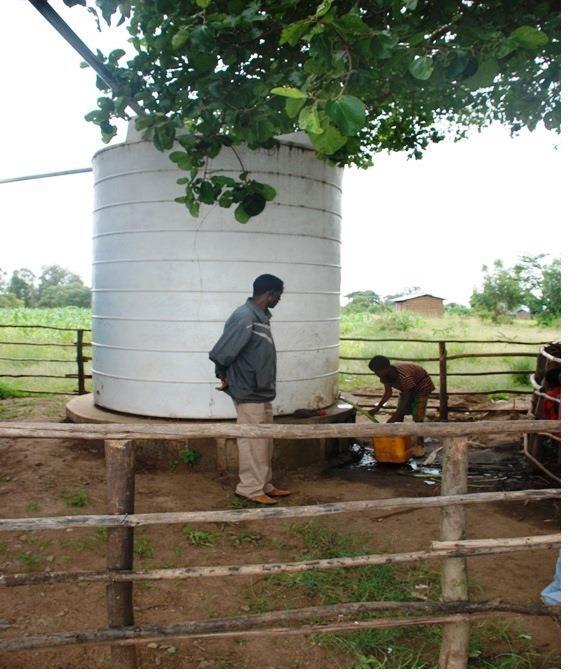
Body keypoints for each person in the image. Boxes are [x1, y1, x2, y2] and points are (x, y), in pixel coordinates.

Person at [209, 274, 290, 505]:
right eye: (279, 296)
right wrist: (222, 375)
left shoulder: (261, 316)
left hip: (261, 389)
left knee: (264, 439)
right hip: (248, 389)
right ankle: (249, 488)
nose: (279, 300)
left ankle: (264, 484)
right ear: (270, 294)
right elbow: (222, 352)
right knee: (252, 439)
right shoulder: (244, 316)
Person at [368, 355, 435, 455]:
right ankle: (397, 440)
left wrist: (395, 415)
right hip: (406, 389)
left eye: (377, 371)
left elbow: (408, 397)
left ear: (385, 368)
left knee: (418, 415)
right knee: (399, 415)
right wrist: (377, 408)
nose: (376, 374)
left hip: (422, 386)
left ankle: (420, 444)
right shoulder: (385, 376)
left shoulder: (404, 376)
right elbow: (388, 393)